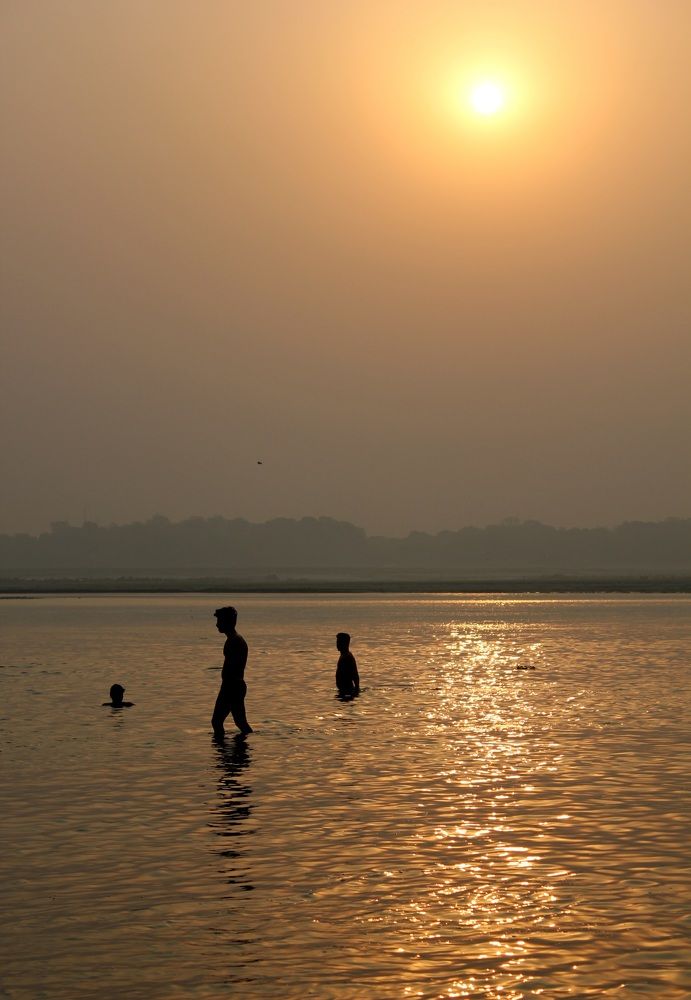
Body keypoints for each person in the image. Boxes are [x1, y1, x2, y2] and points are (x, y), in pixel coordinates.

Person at [211, 606, 253, 737]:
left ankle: (222, 752)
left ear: (228, 622)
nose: (217, 624)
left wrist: (226, 689)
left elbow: (232, 670)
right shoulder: (234, 640)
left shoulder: (234, 641)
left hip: (232, 687)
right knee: (240, 723)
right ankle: (240, 751)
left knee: (217, 722)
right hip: (234, 686)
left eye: (219, 621)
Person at [335, 632, 360, 698]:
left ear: (344, 643)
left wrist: (357, 689)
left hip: (347, 691)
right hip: (343, 690)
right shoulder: (343, 656)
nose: (337, 644)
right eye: (337, 642)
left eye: (339, 642)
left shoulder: (347, 657)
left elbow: (355, 674)